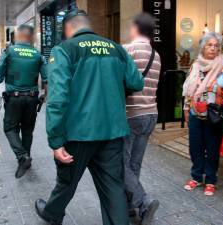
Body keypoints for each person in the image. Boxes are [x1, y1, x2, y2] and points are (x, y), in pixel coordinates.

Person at [35, 10, 144, 225]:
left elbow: (57, 99)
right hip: (112, 133)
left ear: (67, 29)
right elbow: (136, 83)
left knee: (67, 182)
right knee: (113, 188)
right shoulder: (117, 49)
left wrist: (55, 141)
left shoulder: (64, 50)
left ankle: (52, 214)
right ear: (88, 25)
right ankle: (52, 213)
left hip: (78, 133)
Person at [0, 25, 47, 179]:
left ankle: (22, 157)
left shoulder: (9, 52)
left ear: (17, 36)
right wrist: (44, 96)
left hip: (14, 98)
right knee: (28, 130)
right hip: (32, 98)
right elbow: (47, 79)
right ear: (31, 37)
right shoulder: (38, 54)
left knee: (9, 128)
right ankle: (26, 158)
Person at [182, 32, 223, 196]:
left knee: (212, 149)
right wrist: (186, 109)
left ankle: (211, 180)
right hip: (195, 113)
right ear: (203, 47)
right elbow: (188, 91)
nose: (213, 48)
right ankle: (197, 176)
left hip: (215, 115)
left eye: (216, 46)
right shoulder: (195, 65)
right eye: (209, 45)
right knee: (195, 148)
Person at [122, 13, 160, 225]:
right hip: (151, 114)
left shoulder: (129, 50)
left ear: (136, 28)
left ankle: (143, 201)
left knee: (120, 162)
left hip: (132, 114)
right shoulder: (156, 54)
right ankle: (130, 206)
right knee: (134, 162)